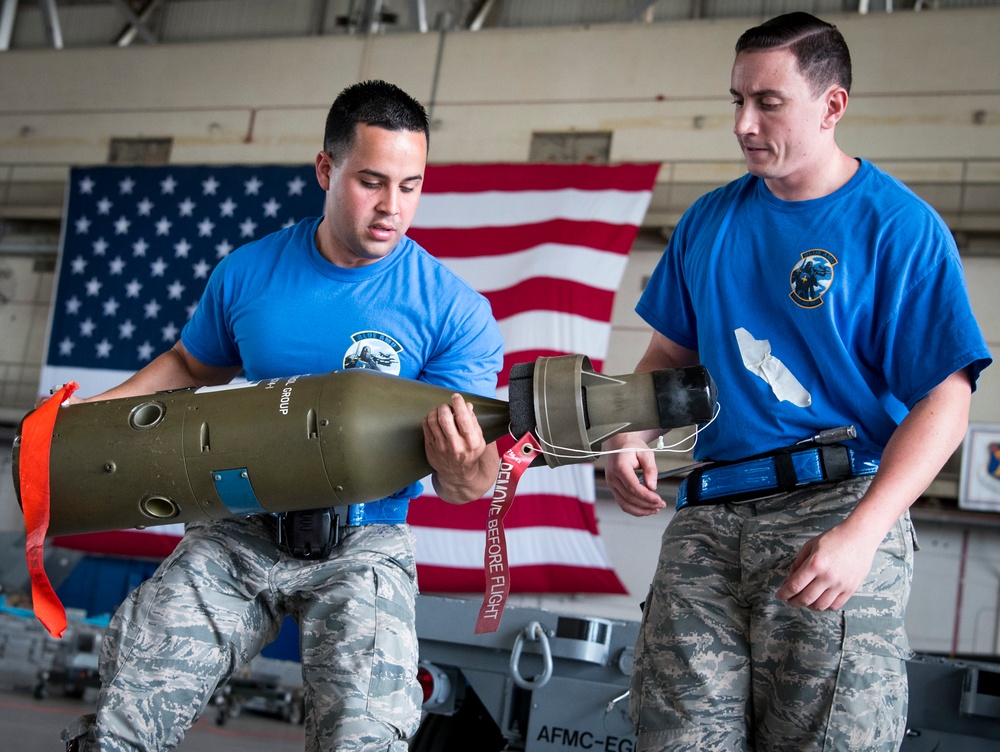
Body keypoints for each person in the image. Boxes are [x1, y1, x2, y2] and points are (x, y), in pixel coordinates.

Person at [61, 79, 504, 752]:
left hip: (364, 541)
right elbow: (189, 365)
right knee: (128, 709)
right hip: (242, 523)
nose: (391, 208)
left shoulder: (453, 311)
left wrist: (468, 467)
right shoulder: (249, 273)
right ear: (326, 169)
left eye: (410, 186)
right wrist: (83, 419)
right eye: (372, 181)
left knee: (364, 739)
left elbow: (463, 486)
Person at [602, 12, 991, 752]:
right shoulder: (709, 221)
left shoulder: (897, 230)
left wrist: (862, 535)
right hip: (709, 518)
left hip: (835, 513)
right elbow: (664, 358)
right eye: (736, 101)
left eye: (768, 103)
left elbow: (945, 401)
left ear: (832, 105)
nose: (745, 123)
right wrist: (631, 434)